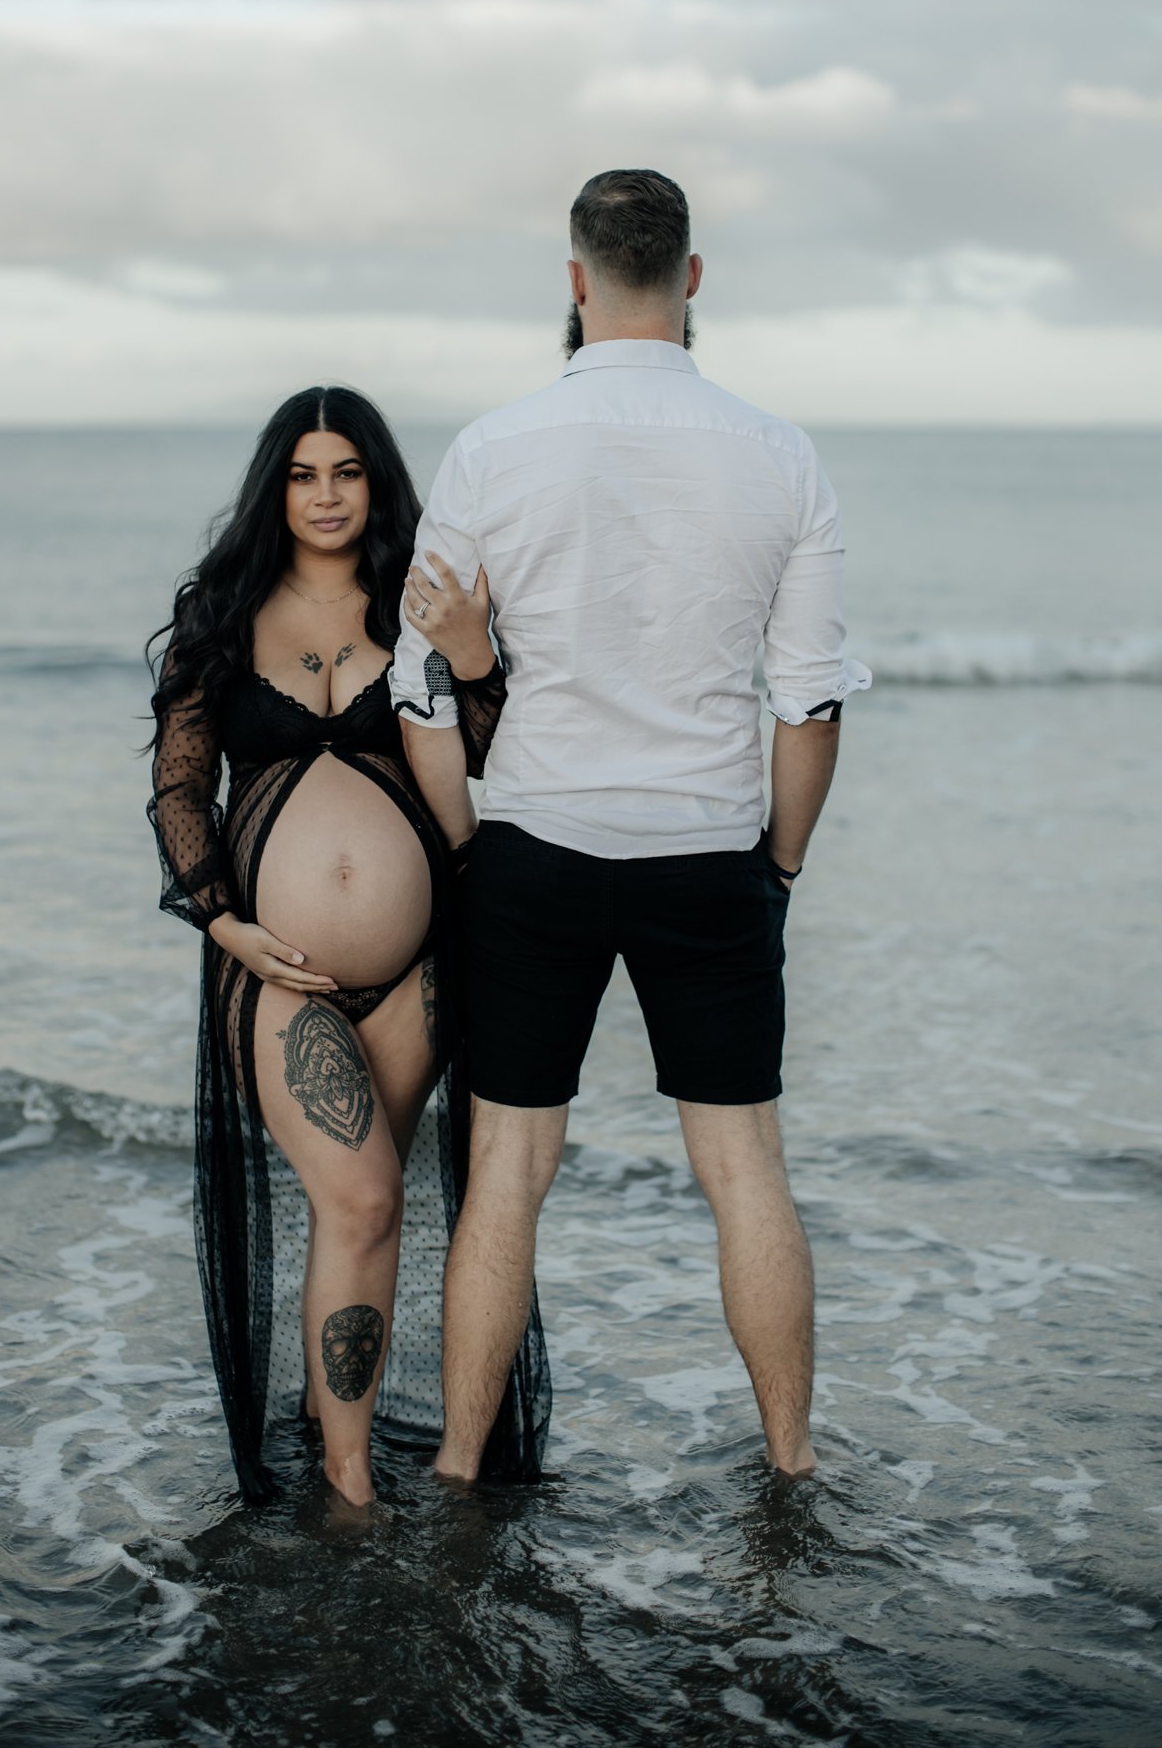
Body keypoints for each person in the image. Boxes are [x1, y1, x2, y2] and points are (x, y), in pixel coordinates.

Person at [390, 170, 870, 1482]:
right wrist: (777, 865)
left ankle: (455, 1473)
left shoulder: (493, 451)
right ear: (694, 277)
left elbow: (421, 687)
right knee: (743, 1171)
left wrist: (467, 844)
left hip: (533, 850)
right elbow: (810, 702)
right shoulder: (781, 455)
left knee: (507, 1178)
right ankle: (788, 1467)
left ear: (575, 279)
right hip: (709, 853)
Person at [147, 385, 549, 1507]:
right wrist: (223, 919)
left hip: (420, 967)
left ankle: (346, 1447)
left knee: (365, 1206)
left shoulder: (420, 604)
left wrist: (474, 659)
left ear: (378, 482)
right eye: (303, 473)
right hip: (276, 968)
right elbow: (180, 782)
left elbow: (501, 756)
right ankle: (353, 1483)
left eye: (348, 472)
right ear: (275, 487)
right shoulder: (221, 611)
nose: (325, 495)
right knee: (366, 1196)